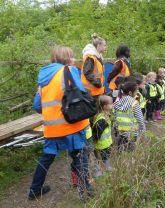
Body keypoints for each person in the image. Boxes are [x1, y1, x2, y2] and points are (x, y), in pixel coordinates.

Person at [30, 46, 92, 201]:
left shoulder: (43, 78)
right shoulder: (69, 71)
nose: (73, 58)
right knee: (79, 157)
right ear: (67, 58)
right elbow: (80, 94)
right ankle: (87, 192)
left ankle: (34, 190)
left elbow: (37, 106)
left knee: (47, 158)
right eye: (71, 56)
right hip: (71, 125)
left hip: (52, 128)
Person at [114, 81, 146, 151]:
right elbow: (140, 119)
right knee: (130, 151)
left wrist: (115, 129)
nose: (137, 92)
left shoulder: (118, 102)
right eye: (136, 91)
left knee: (121, 150)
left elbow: (115, 117)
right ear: (130, 93)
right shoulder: (134, 103)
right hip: (132, 132)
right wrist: (143, 130)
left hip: (121, 132)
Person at [91, 95, 114, 177]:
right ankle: (97, 171)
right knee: (97, 158)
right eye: (111, 103)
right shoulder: (101, 119)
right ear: (105, 106)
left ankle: (107, 167)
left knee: (106, 156)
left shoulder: (106, 115)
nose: (113, 104)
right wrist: (96, 142)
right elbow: (96, 132)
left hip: (106, 143)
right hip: (100, 144)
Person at [81, 33, 106, 98]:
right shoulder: (90, 57)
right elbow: (87, 72)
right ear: (99, 45)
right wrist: (97, 83)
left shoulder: (97, 56)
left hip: (96, 91)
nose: (105, 47)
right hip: (91, 92)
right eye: (104, 45)